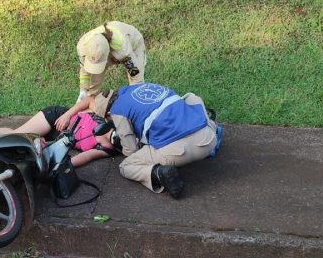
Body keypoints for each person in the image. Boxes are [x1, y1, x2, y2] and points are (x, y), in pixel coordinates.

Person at [79, 83, 222, 198]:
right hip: (208, 138)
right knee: (190, 97)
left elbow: (130, 150)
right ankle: (213, 127)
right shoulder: (139, 87)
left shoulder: (117, 110)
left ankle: (159, 174)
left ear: (108, 114)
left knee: (126, 166)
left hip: (180, 151)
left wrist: (121, 142)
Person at [0, 97, 116, 168]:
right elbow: (88, 100)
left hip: (58, 138)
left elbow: (87, 157)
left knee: (20, 145)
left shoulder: (108, 148)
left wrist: (62, 166)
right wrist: (67, 115)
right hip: (56, 118)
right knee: (17, 136)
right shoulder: (107, 117)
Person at [76, 21, 146, 102]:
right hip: (106, 49)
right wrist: (83, 90)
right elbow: (84, 70)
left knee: (137, 86)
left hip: (134, 44)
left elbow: (135, 74)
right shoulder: (83, 47)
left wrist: (136, 91)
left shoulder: (123, 50)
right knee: (91, 87)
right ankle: (91, 103)